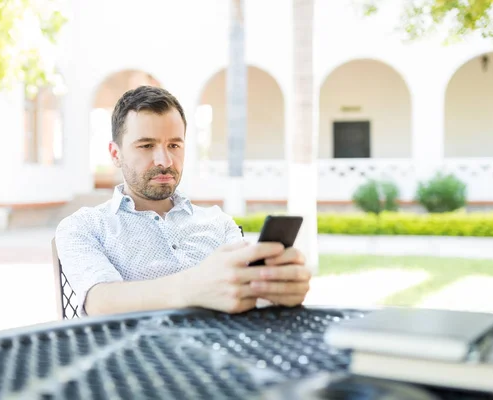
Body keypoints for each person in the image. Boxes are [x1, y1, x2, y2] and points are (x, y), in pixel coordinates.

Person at [55, 85, 311, 317]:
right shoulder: (85, 227)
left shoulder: (218, 223)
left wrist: (277, 288)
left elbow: (246, 294)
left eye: (174, 146)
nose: (165, 161)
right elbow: (100, 302)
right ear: (115, 154)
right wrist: (194, 287)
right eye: (146, 146)